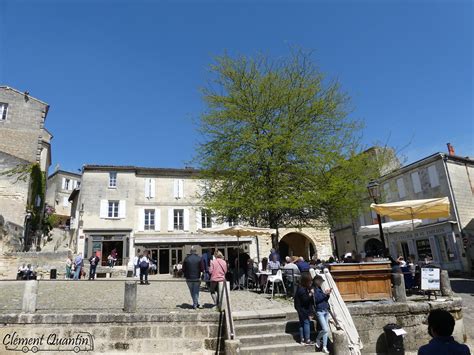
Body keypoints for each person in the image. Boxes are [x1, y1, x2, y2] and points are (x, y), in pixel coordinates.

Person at [293, 273, 314, 346]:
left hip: (300, 309)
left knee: (301, 324)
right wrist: (310, 294)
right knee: (306, 323)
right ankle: (307, 339)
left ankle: (302, 339)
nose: (311, 282)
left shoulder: (299, 288)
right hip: (303, 310)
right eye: (310, 281)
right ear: (306, 281)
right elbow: (305, 300)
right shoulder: (302, 290)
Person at [314, 274, 331, 354]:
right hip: (320, 311)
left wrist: (327, 295)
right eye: (321, 281)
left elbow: (324, 299)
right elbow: (317, 300)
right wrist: (325, 294)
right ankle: (317, 339)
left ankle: (324, 346)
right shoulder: (314, 289)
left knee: (326, 330)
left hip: (325, 309)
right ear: (317, 281)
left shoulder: (319, 288)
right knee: (325, 329)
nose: (321, 283)